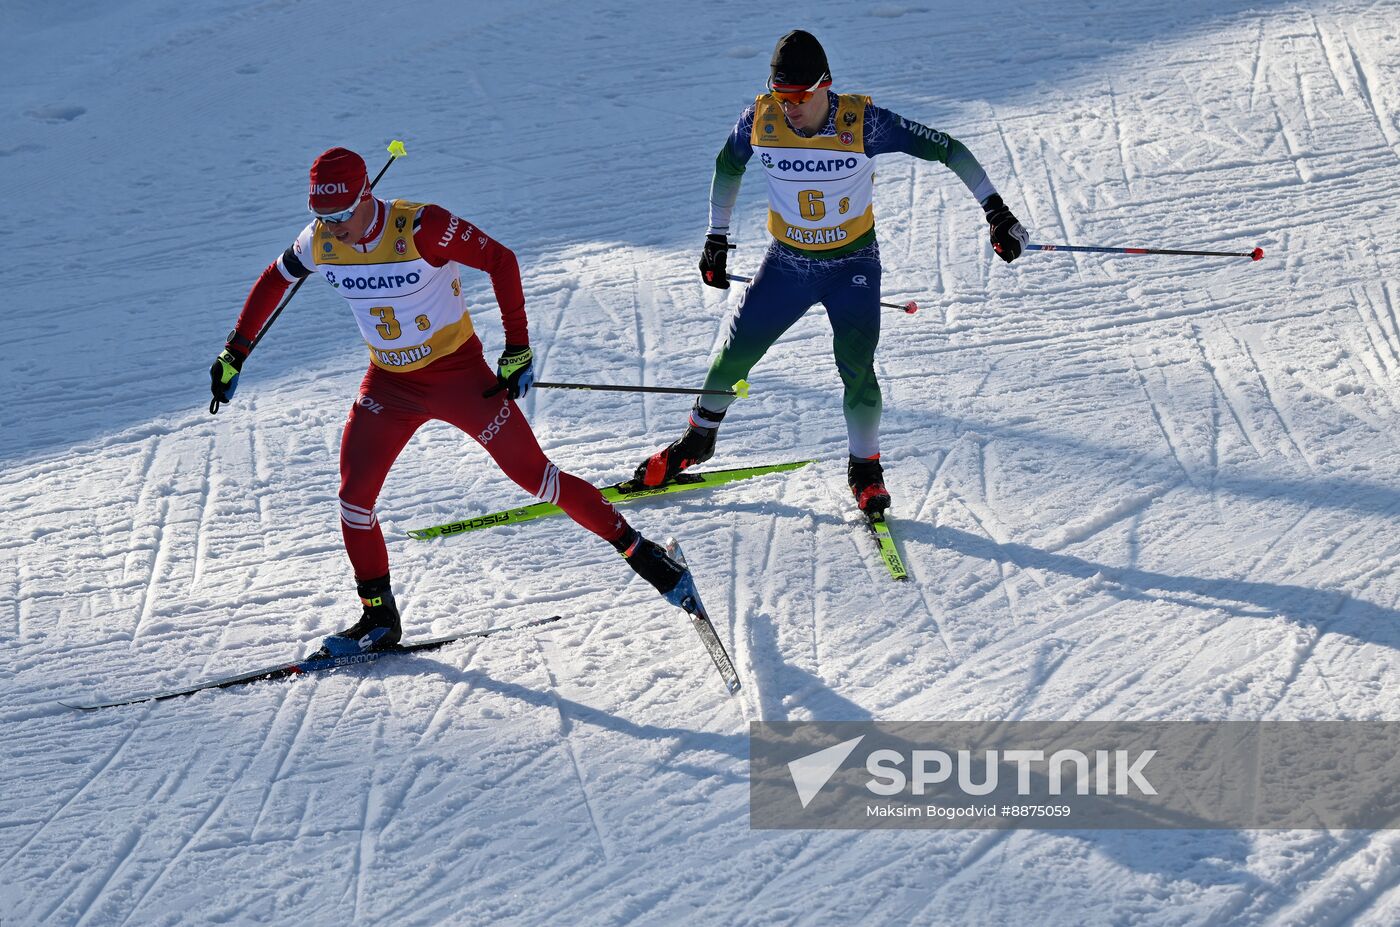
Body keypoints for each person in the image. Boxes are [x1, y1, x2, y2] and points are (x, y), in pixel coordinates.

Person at [211, 147, 695, 656]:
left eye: (341, 216)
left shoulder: (421, 227)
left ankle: (645, 556)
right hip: (389, 385)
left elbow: (500, 260)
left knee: (538, 478)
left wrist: (517, 348)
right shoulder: (319, 242)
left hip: (459, 378)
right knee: (354, 500)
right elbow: (275, 278)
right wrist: (234, 352)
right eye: (321, 218)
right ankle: (379, 619)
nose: (332, 229)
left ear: (366, 195)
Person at [634, 30, 1029, 514]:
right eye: (781, 97)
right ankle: (697, 441)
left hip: (852, 266)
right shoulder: (759, 120)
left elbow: (948, 148)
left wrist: (997, 211)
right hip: (787, 263)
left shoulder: (864, 124)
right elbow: (727, 166)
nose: (789, 108)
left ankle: (865, 469)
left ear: (825, 86)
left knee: (856, 365)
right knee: (735, 355)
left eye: (799, 98)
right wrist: (717, 238)